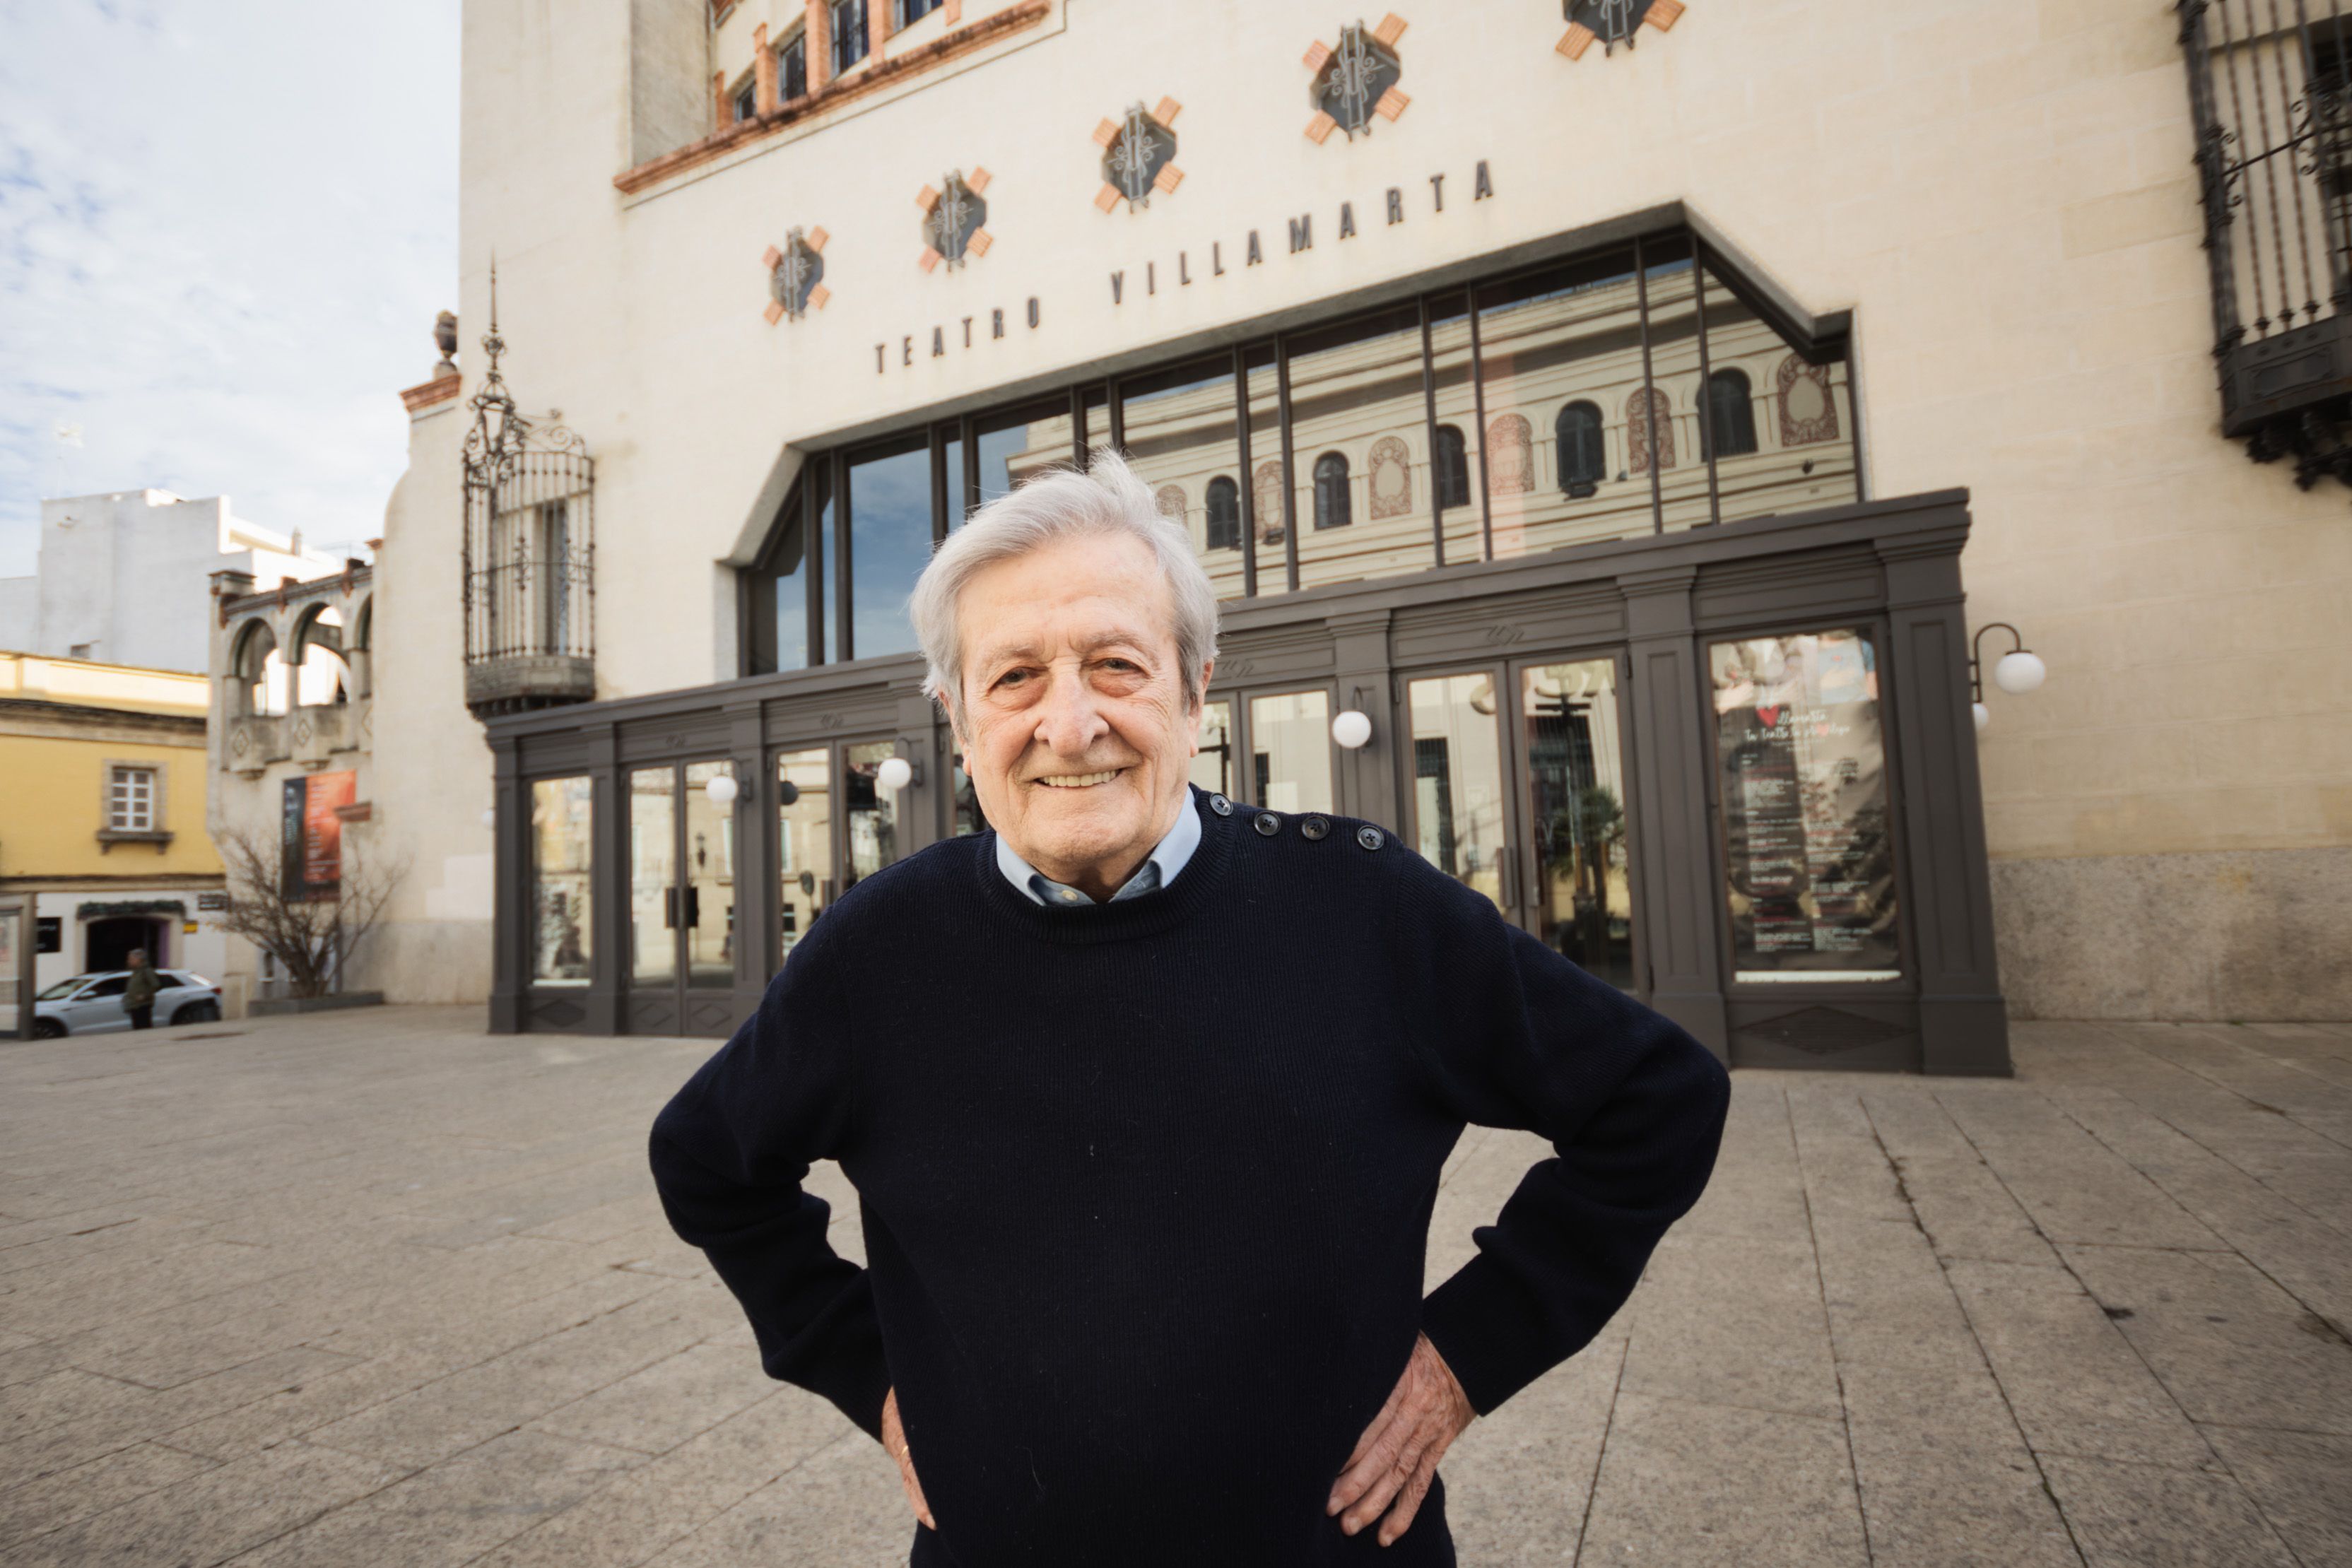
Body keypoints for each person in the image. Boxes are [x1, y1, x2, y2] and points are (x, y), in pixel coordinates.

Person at [647, 451, 1731, 1566]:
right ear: (956, 715)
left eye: (1116, 663)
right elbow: (707, 1163)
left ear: (1196, 685)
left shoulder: (1361, 906)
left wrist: (1466, 1355)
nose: (1069, 725)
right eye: (1014, 676)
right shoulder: (879, 948)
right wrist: (866, 1370)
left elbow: (1659, 1099)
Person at [122, 948, 159, 1030]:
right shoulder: (136, 972)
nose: (129, 961)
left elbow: (156, 985)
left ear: (138, 959)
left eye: (131, 959)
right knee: (137, 1031)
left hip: (142, 1006)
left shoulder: (146, 971)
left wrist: (144, 996)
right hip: (134, 1007)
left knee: (144, 1030)